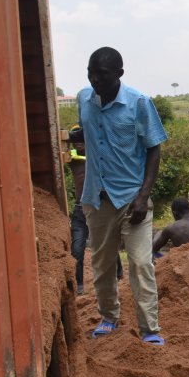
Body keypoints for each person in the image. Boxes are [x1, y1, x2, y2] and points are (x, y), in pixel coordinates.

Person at [78, 46, 168, 345]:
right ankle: (108, 317)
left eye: (101, 74)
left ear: (119, 73)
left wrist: (144, 196)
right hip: (96, 198)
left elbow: (154, 147)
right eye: (90, 72)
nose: (94, 79)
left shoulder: (139, 103)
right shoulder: (83, 100)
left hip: (132, 200)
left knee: (141, 263)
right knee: (102, 264)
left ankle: (150, 330)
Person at [68, 126, 124, 295]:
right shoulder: (73, 159)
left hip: (98, 207)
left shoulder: (99, 157)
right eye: (75, 141)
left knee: (107, 243)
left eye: (81, 140)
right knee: (77, 248)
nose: (78, 144)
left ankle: (119, 272)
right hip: (80, 209)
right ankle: (79, 286)